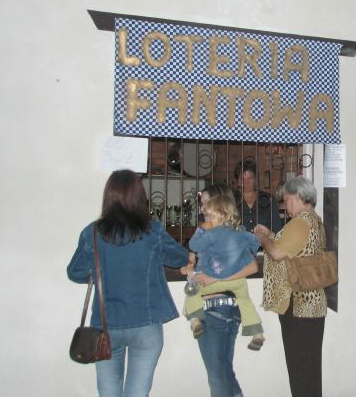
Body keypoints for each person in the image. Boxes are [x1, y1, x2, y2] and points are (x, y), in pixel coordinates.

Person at [67, 169, 189, 397]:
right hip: (146, 324)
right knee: (138, 392)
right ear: (139, 196)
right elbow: (180, 258)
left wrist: (99, 271)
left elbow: (74, 272)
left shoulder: (92, 233)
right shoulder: (152, 231)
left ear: (108, 196)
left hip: (106, 326)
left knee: (108, 392)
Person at [255, 176, 327, 397]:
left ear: (298, 196)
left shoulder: (300, 222)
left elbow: (277, 253)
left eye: (286, 199)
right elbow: (291, 249)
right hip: (311, 305)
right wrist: (271, 234)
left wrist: (262, 239)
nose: (285, 205)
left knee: (300, 370)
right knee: (308, 370)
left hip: (299, 307)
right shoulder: (313, 220)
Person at [183, 194, 265, 351]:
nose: (206, 220)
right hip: (238, 282)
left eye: (209, 216)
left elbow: (193, 245)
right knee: (245, 301)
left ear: (222, 215)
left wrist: (201, 229)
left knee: (192, 289)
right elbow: (254, 243)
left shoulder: (210, 234)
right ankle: (257, 332)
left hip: (213, 281)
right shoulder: (240, 232)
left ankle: (195, 320)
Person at [235, 160, 282, 234]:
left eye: (250, 178)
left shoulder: (268, 199)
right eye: (242, 178)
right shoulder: (231, 200)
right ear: (238, 180)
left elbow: (277, 230)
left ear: (255, 179)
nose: (246, 182)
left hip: (264, 241)